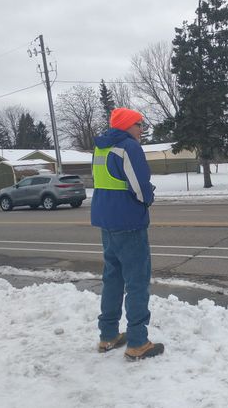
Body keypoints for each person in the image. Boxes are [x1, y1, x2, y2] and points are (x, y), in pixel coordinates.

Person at [91, 107, 164, 361]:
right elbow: (140, 187)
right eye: (139, 124)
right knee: (137, 281)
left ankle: (108, 335)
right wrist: (148, 199)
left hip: (107, 222)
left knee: (113, 278)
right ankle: (138, 342)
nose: (142, 129)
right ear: (127, 125)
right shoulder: (129, 147)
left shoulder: (101, 148)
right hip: (129, 223)